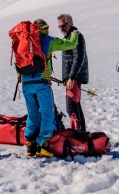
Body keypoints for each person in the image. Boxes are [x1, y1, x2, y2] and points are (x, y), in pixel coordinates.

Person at [22, 18, 79, 157]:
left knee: (33, 113)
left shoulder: (25, 42)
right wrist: (75, 33)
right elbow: (71, 44)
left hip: (25, 83)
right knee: (47, 113)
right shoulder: (49, 41)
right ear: (43, 30)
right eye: (46, 28)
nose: (48, 30)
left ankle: (30, 145)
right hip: (41, 83)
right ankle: (44, 145)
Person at [57, 14, 89, 131]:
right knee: (75, 105)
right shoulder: (68, 37)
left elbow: (78, 58)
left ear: (70, 22)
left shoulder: (76, 37)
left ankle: (79, 134)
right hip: (71, 77)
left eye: (63, 26)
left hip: (75, 77)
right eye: (59, 27)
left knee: (71, 106)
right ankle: (81, 133)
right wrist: (66, 78)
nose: (62, 29)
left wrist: (71, 77)